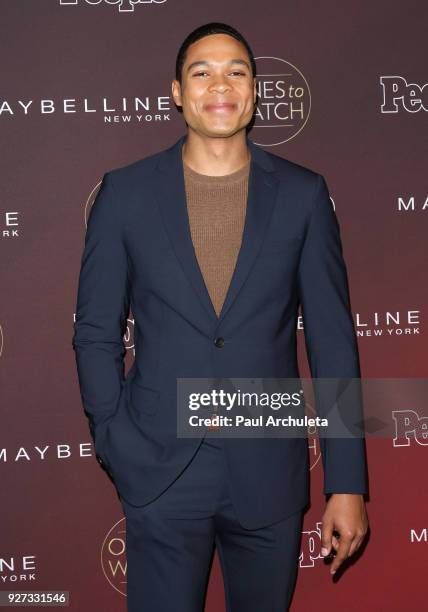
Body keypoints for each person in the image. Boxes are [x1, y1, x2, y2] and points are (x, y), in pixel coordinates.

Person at [72, 22, 369, 611]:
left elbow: (333, 344)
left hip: (269, 470)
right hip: (158, 469)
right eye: (201, 72)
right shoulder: (125, 195)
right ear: (178, 92)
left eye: (236, 70)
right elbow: (95, 332)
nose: (219, 84)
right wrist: (115, 439)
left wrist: (347, 482)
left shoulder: (304, 196)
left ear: (255, 90)